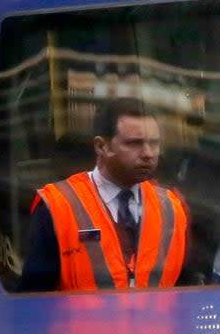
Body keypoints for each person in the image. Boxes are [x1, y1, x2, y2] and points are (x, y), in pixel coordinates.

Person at [18, 97, 194, 291]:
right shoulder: (58, 207)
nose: (149, 153)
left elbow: (186, 293)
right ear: (102, 147)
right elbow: (33, 299)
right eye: (134, 143)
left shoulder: (172, 210)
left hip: (156, 322)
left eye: (154, 143)